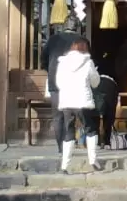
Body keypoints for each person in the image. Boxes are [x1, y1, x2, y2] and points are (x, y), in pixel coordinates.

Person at [55, 38, 102, 173]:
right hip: (83, 101)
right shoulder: (88, 62)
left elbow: (58, 83)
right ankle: (93, 160)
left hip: (67, 101)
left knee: (68, 132)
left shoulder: (62, 63)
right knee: (91, 130)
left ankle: (65, 165)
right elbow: (95, 82)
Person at [41, 15, 85, 154]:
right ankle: (69, 146)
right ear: (77, 27)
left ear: (64, 25)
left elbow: (43, 59)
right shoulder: (82, 41)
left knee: (58, 116)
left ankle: (61, 147)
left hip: (56, 81)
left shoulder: (53, 39)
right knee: (70, 115)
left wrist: (51, 70)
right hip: (74, 82)